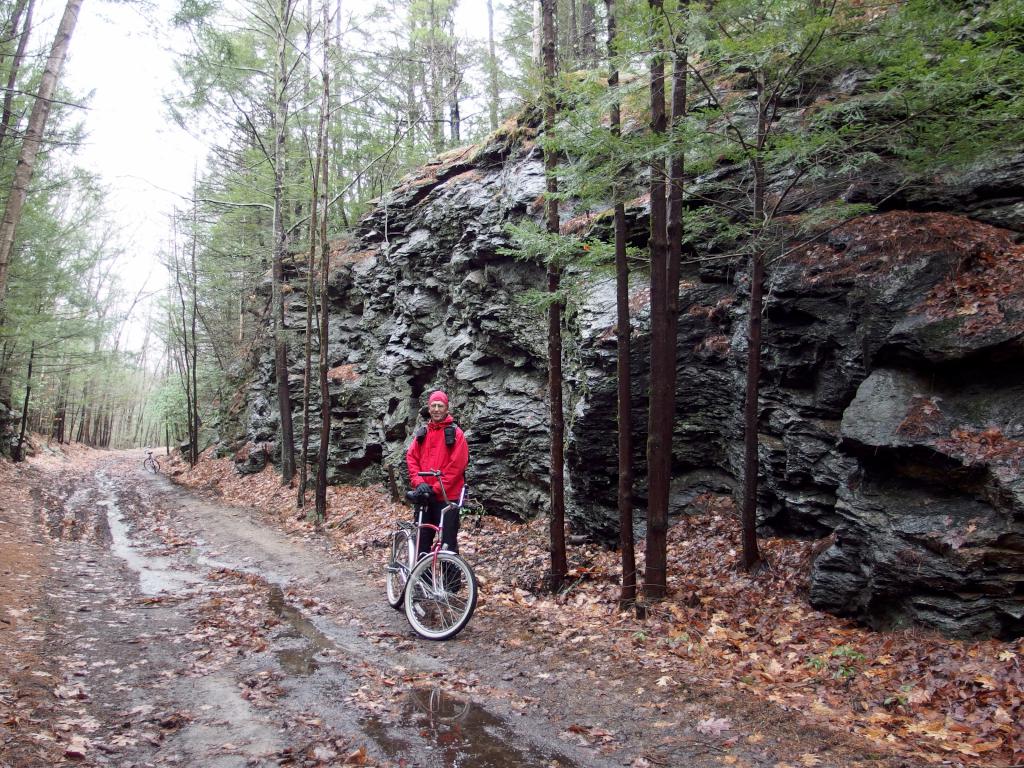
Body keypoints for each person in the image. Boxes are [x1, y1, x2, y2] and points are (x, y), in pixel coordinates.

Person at [405, 390, 469, 559]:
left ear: (447, 409)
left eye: (440, 405)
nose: (436, 409)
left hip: (448, 498)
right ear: (429, 408)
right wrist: (419, 482)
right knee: (422, 541)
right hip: (425, 496)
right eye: (433, 405)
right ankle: (422, 583)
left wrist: (436, 488)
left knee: (448, 543)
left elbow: (457, 465)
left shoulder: (456, 434)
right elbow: (411, 458)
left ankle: (449, 585)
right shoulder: (422, 433)